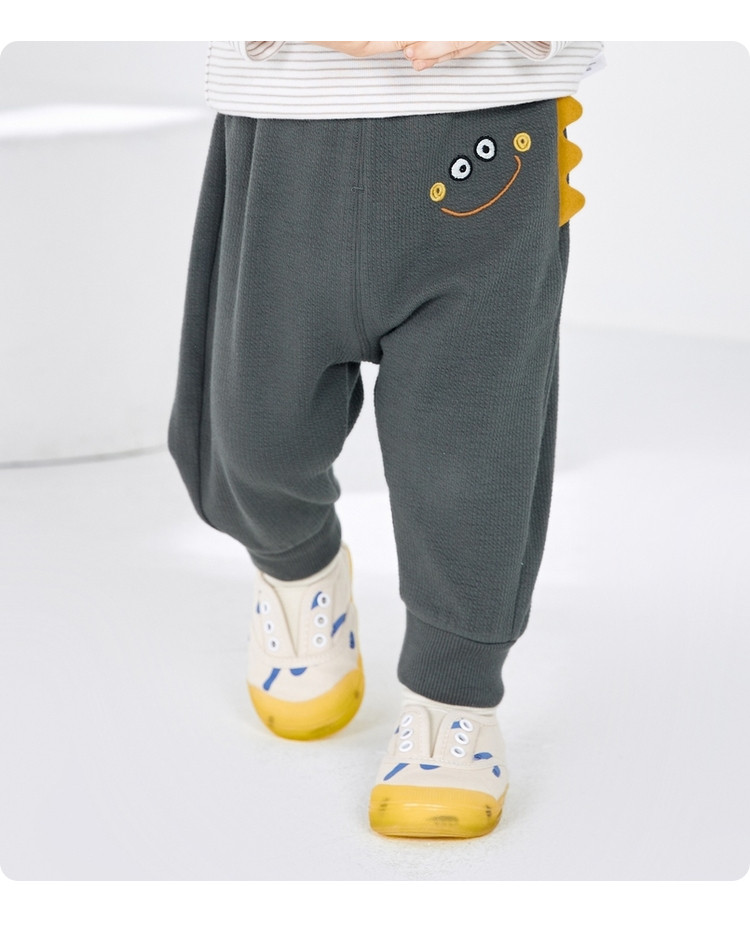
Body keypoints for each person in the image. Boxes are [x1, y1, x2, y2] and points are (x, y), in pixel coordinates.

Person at [168, 40, 604, 838]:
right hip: (288, 120)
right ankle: (298, 570)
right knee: (251, 423)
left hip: (486, 118)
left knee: (477, 449)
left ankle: (452, 697)